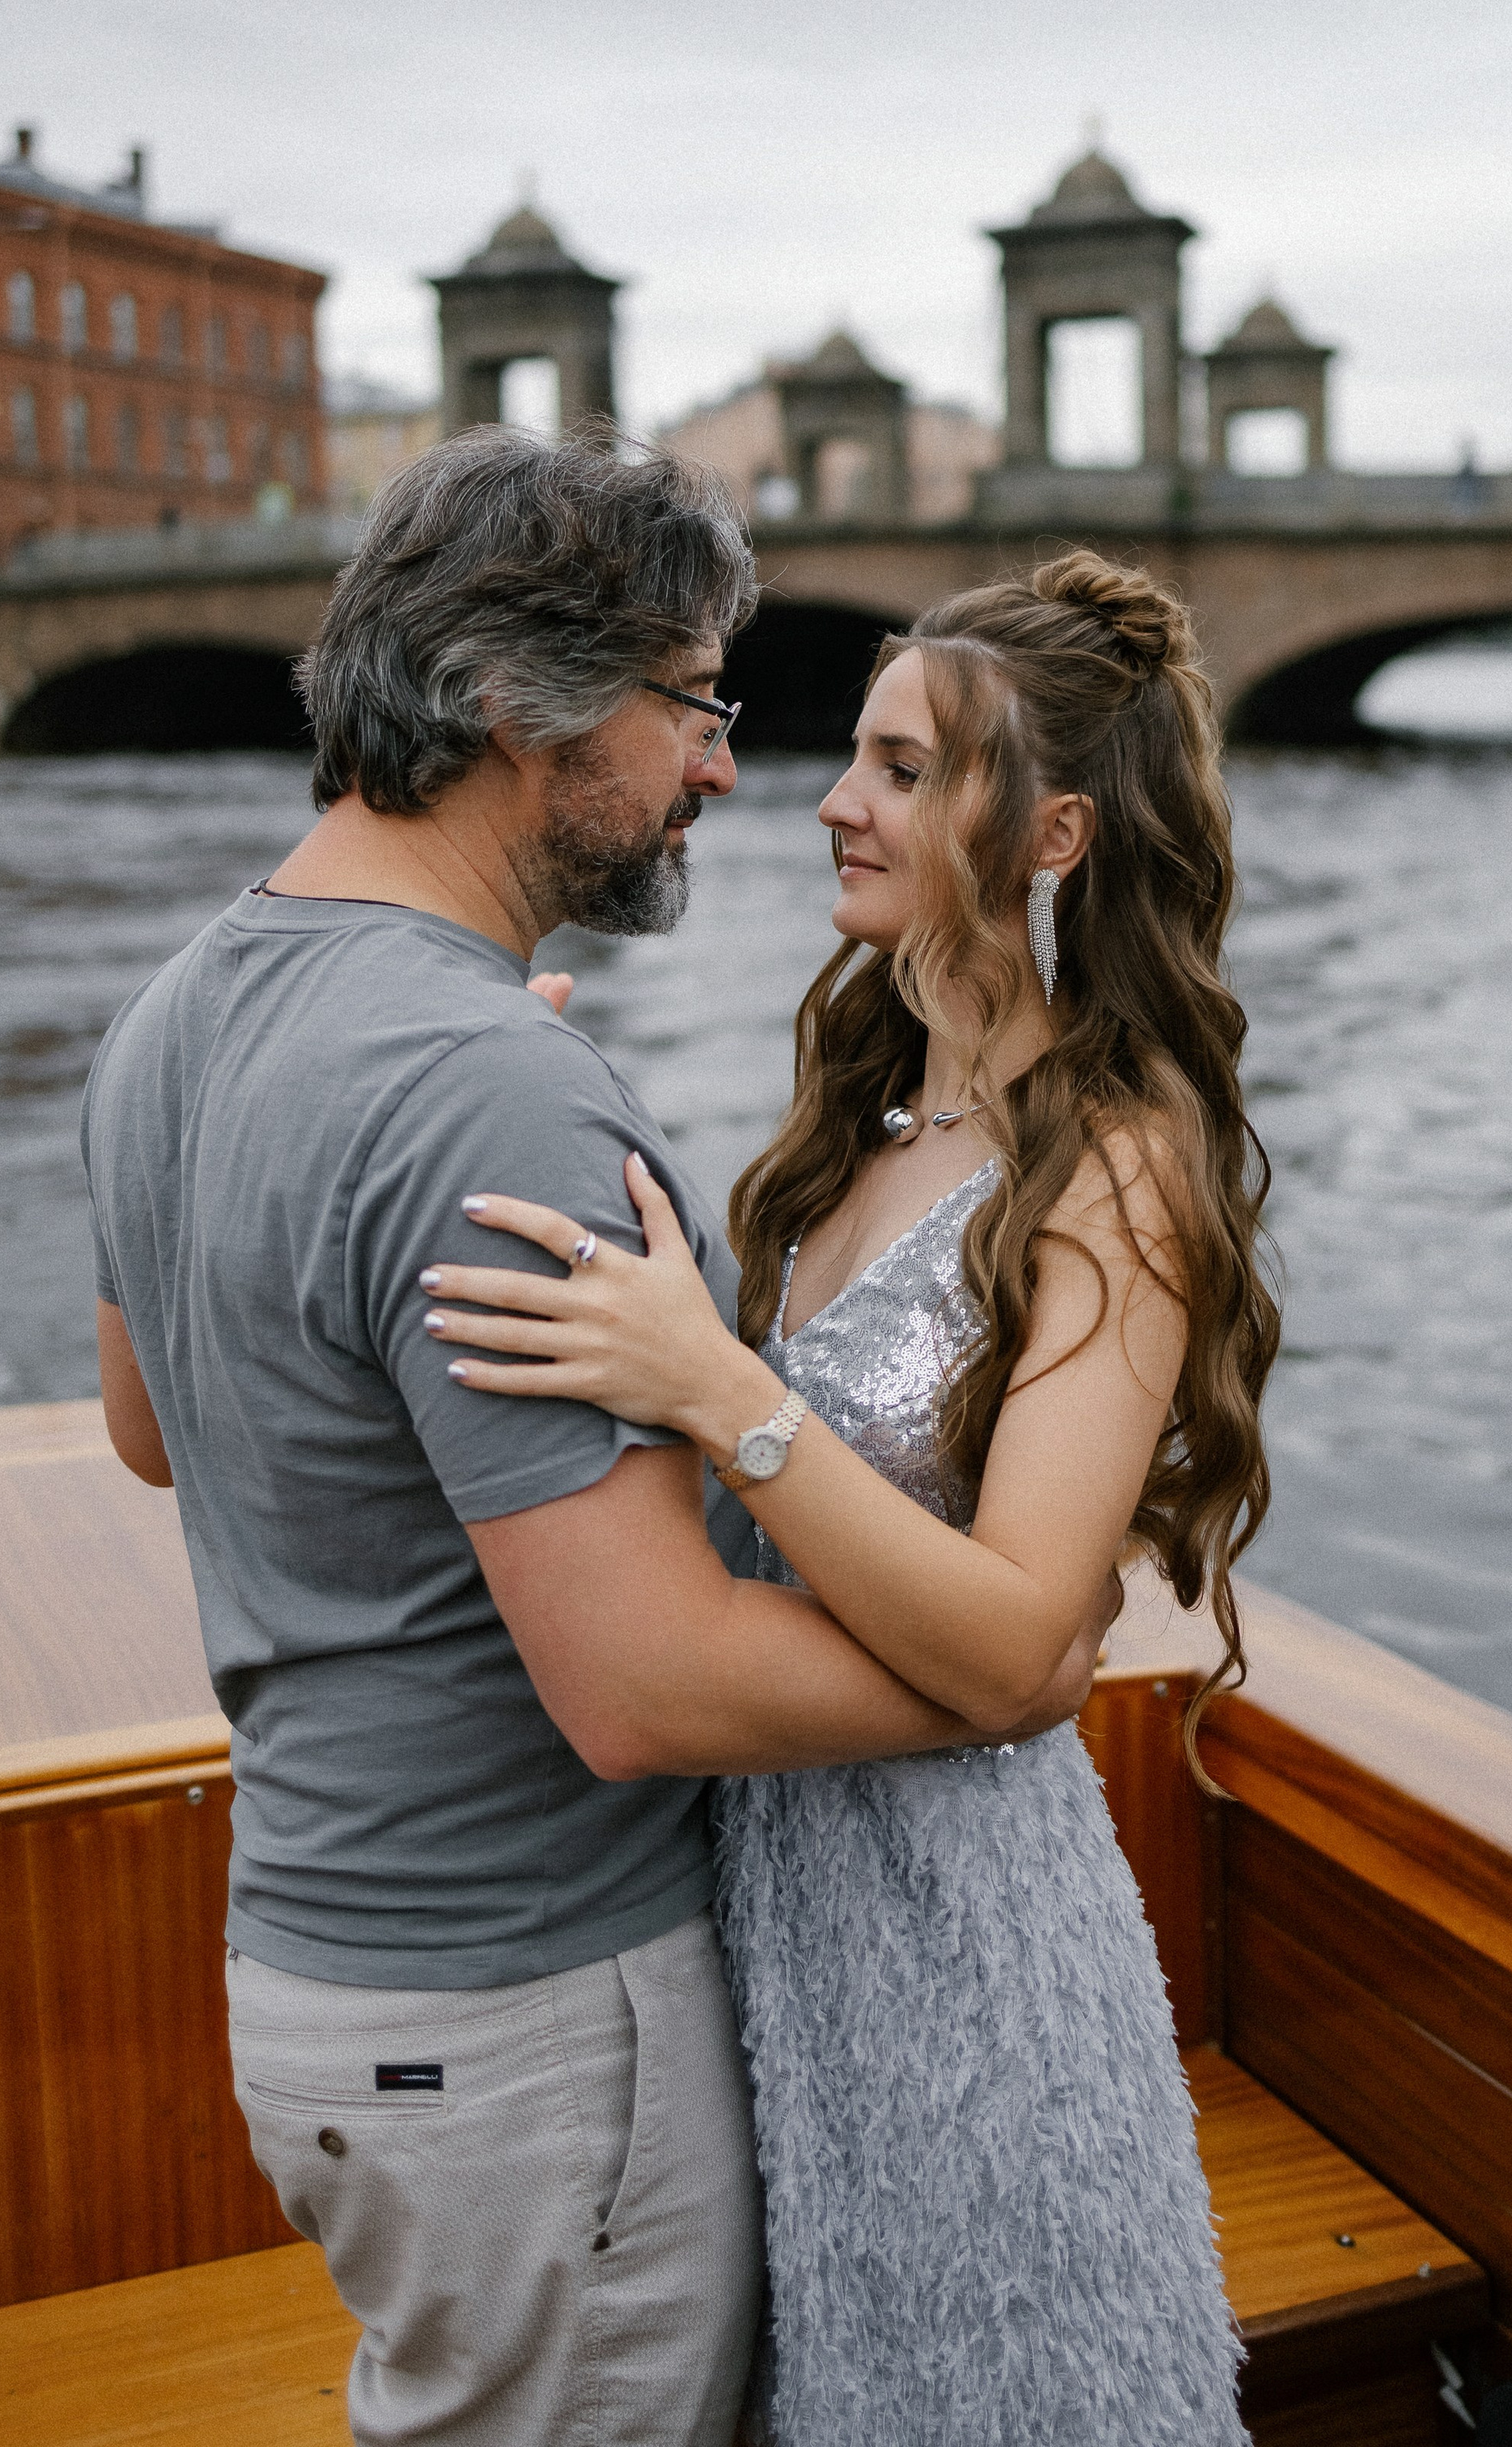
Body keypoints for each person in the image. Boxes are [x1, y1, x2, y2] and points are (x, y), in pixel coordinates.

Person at [80, 428, 1098, 2447]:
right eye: (690, 702)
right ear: (503, 700)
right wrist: (1007, 1664)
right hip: (530, 2016)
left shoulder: (181, 1009)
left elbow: (152, 1429)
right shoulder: (487, 1086)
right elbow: (641, 1692)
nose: (726, 764)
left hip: (314, 1977)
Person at [424, 552, 1280, 2445]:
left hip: (973, 1963)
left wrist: (721, 1390)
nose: (832, 796)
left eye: (905, 768)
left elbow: (1016, 1640)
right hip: (782, 1940)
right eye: (853, 756)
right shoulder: (859, 1119)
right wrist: (522, 1082)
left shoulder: (1118, 1168)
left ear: (1048, 831)